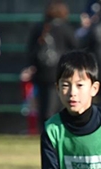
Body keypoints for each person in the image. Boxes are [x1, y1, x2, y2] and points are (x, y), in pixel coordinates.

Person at [26, 0, 78, 133]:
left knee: (44, 105)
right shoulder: (65, 28)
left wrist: (31, 67)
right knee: (58, 104)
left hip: (42, 72)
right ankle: (56, 130)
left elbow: (31, 50)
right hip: (60, 72)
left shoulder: (40, 27)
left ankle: (46, 130)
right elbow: (75, 47)